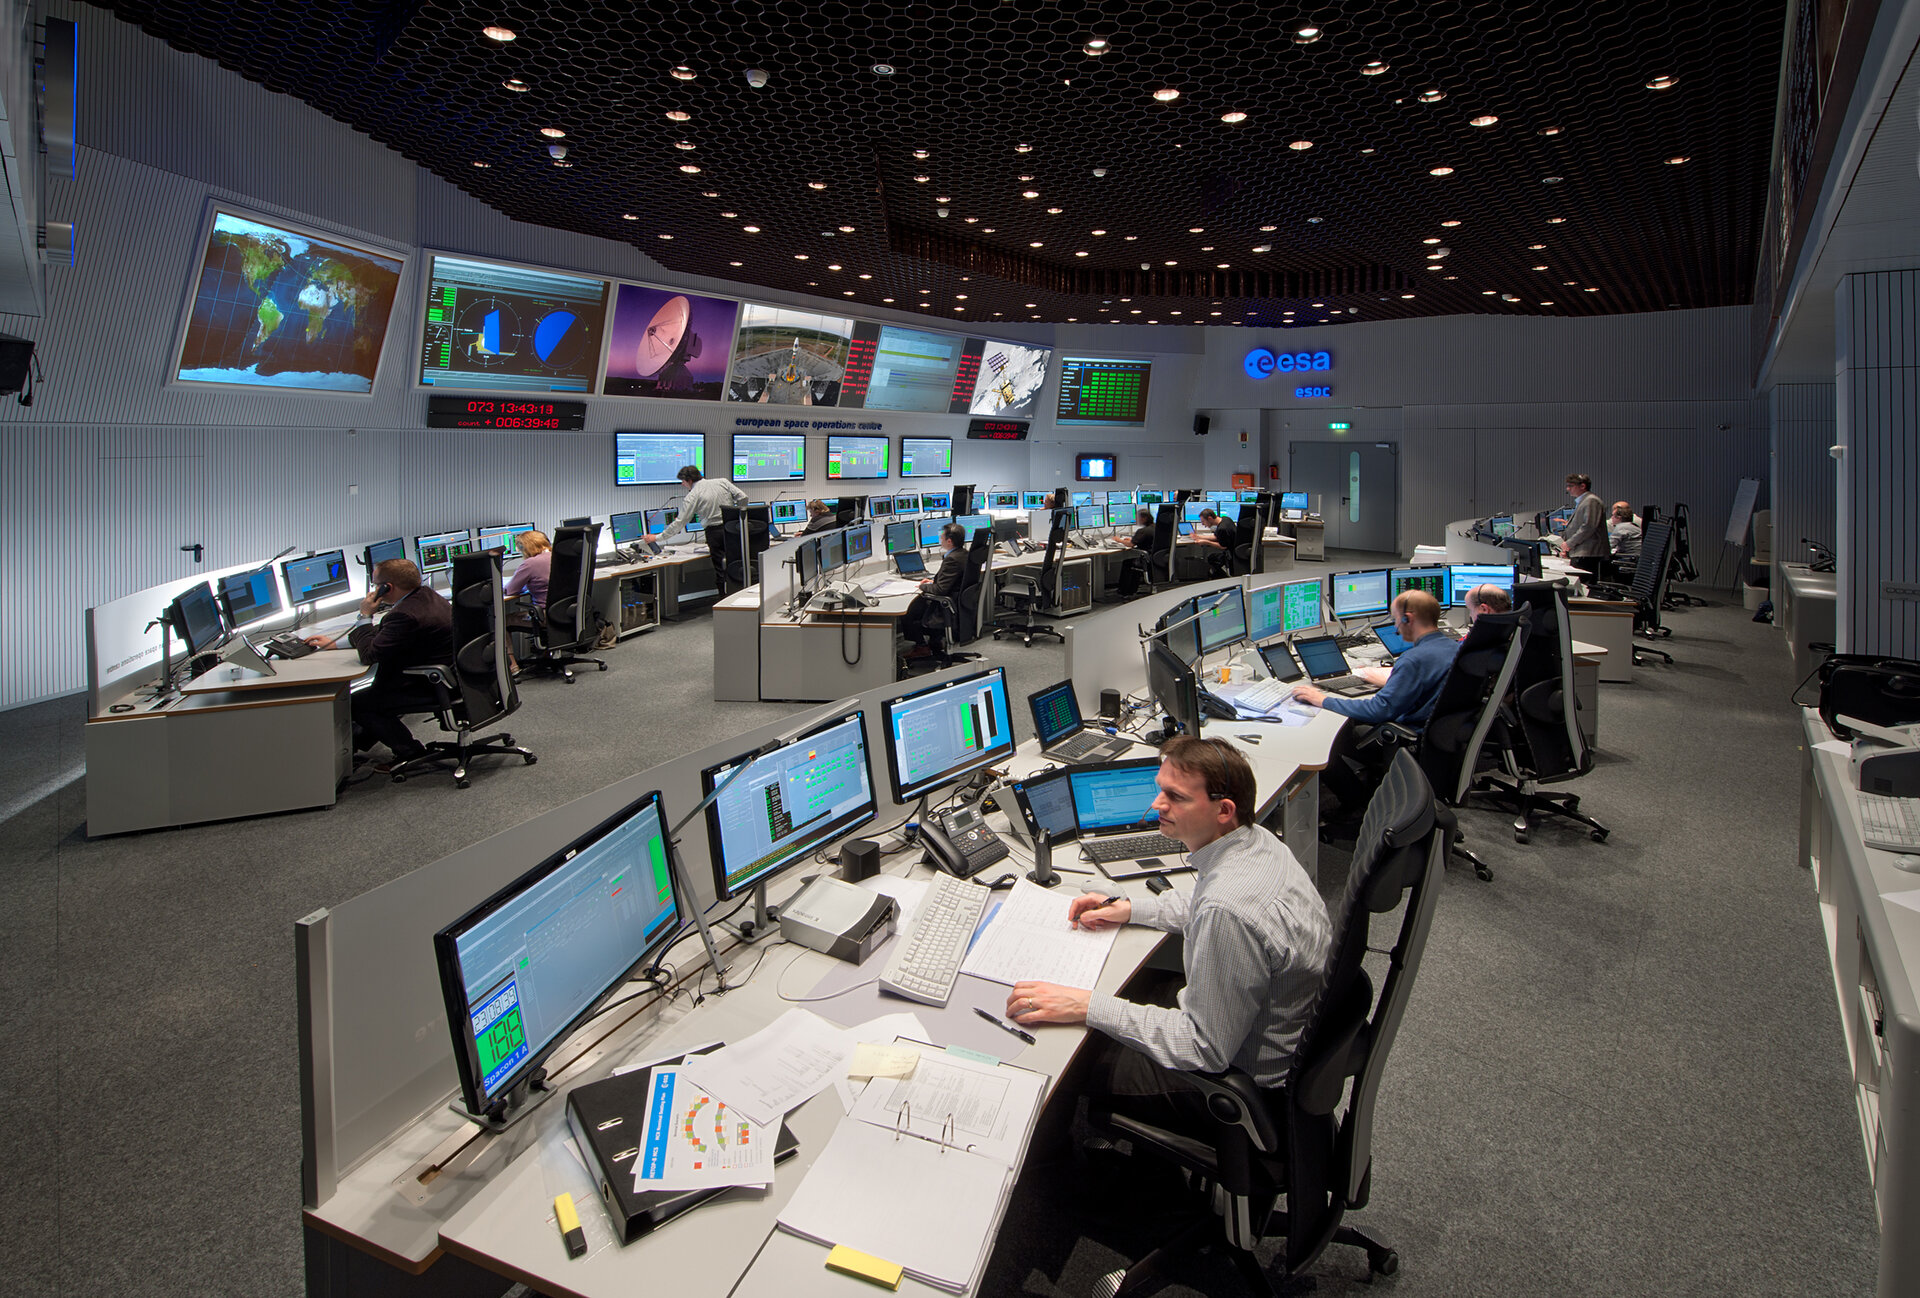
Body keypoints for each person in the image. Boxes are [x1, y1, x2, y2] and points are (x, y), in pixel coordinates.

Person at [1004, 737, 1330, 1130]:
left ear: (1223, 810)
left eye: (1175, 797)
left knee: (1068, 1060)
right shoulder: (1256, 843)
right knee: (1123, 995)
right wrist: (1129, 909)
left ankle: (1071, 1174)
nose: (1157, 804)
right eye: (1160, 789)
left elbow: (1204, 1049)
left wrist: (1087, 1005)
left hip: (1239, 1083)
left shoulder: (1227, 911)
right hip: (1270, 1034)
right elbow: (1202, 901)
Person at [1294, 589, 1459, 816]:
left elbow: (1378, 710)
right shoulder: (1454, 647)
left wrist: (1323, 699)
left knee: (1326, 744)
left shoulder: (1414, 659)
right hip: (1436, 737)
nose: (1395, 628)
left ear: (1407, 619)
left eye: (1395, 620)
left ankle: (1358, 804)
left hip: (1405, 737)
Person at [304, 558, 453, 767]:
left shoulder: (403, 614)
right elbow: (388, 636)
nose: (373, 590)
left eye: (375, 586)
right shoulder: (426, 596)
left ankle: (410, 752)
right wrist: (338, 644)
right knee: (368, 697)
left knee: (359, 703)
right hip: (445, 678)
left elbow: (370, 654)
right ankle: (355, 747)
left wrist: (365, 615)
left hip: (422, 685)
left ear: (387, 588)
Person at [899, 522, 967, 656]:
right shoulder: (963, 554)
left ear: (949, 541)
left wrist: (922, 586)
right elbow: (951, 582)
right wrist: (933, 581)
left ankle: (922, 646)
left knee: (910, 611)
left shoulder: (951, 559)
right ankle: (935, 642)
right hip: (959, 606)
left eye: (942, 537)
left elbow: (940, 590)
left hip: (947, 607)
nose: (940, 539)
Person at [656, 464, 746, 543]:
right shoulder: (723, 482)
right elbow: (743, 497)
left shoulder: (693, 495)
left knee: (719, 561)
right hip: (733, 528)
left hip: (715, 533)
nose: (682, 484)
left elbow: (681, 521)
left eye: (683, 481)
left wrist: (658, 537)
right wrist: (737, 516)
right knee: (736, 560)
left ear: (689, 480)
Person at [1554, 473, 1607, 581]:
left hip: (1589, 554)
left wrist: (1569, 543)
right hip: (1583, 552)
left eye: (1571, 486)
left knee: (1584, 586)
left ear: (1582, 486)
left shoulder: (1591, 501)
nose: (1568, 489)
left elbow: (1589, 526)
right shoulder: (1584, 501)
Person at [1112, 507, 1155, 596]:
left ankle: (1125, 591)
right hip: (1155, 559)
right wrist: (1132, 539)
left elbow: (1130, 544)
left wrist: (1118, 540)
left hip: (1146, 560)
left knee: (1127, 563)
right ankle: (1132, 590)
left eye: (1138, 518)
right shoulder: (1156, 528)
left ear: (1144, 518)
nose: (1136, 520)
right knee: (1133, 562)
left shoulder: (1143, 531)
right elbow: (1143, 540)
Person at [502, 530, 551, 606]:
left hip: (544, 611)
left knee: (508, 618)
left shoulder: (530, 564)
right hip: (564, 610)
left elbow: (510, 590)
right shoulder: (560, 557)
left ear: (526, 549)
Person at [1196, 508, 1237, 576]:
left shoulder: (1222, 528)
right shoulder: (1225, 519)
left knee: (1212, 558)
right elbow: (1216, 537)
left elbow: (1223, 546)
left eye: (1203, 521)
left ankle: (1222, 578)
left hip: (1230, 554)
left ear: (1209, 518)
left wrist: (1206, 542)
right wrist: (1199, 536)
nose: (1203, 524)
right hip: (1234, 551)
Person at [1607, 501, 1642, 581]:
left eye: (1613, 516)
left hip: (1628, 560)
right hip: (1636, 559)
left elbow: (1608, 546)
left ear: (1619, 518)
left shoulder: (1621, 527)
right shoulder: (1634, 526)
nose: (1611, 518)